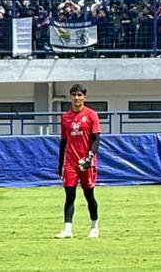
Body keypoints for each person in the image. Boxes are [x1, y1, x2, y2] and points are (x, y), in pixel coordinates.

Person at [56, 84, 102, 239]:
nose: (77, 98)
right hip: (70, 162)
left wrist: (90, 157)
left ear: (84, 97)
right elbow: (63, 142)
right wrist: (60, 163)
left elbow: (96, 139)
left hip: (86, 161)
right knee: (69, 194)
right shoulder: (65, 117)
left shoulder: (91, 115)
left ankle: (94, 226)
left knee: (89, 194)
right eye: (74, 95)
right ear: (70, 97)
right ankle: (67, 229)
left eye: (79, 95)